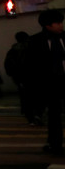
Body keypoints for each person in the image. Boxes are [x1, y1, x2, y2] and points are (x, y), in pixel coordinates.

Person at [26, 10, 65, 155]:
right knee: (54, 116)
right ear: (47, 25)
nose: (61, 25)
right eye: (58, 23)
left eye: (61, 22)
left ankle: (53, 143)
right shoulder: (36, 41)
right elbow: (31, 66)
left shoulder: (63, 37)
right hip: (50, 85)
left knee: (55, 116)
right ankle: (55, 145)